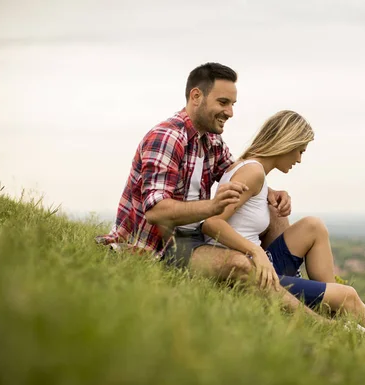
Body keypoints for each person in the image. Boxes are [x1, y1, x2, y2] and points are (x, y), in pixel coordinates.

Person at [202, 110, 365, 368]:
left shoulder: (251, 168)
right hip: (252, 273)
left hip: (261, 263)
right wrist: (254, 251)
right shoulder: (253, 172)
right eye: (300, 150)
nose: (299, 159)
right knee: (349, 295)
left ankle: (331, 305)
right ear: (287, 142)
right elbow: (211, 222)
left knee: (313, 226)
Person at [96, 63, 329, 319]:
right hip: (161, 246)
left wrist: (270, 192)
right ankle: (317, 322)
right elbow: (156, 211)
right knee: (241, 264)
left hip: (193, 239)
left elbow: (237, 174)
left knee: (273, 212)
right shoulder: (167, 137)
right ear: (196, 96)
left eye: (233, 104)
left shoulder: (211, 140)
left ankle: (289, 288)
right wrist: (213, 209)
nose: (229, 112)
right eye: (223, 102)